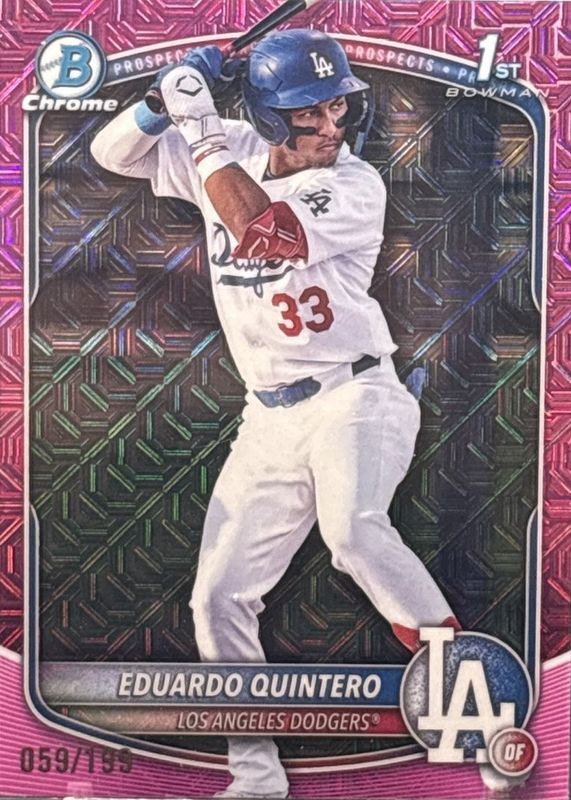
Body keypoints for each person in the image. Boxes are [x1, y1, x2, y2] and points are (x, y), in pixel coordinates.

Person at [91, 29, 460, 800]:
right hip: (267, 418)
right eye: (307, 113)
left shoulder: (352, 185)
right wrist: (161, 102)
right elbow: (110, 154)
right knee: (217, 597)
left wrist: (196, 125)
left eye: (337, 107)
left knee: (352, 531)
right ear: (264, 117)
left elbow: (261, 233)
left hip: (355, 395)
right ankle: (255, 779)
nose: (329, 126)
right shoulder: (229, 147)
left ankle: (471, 702)